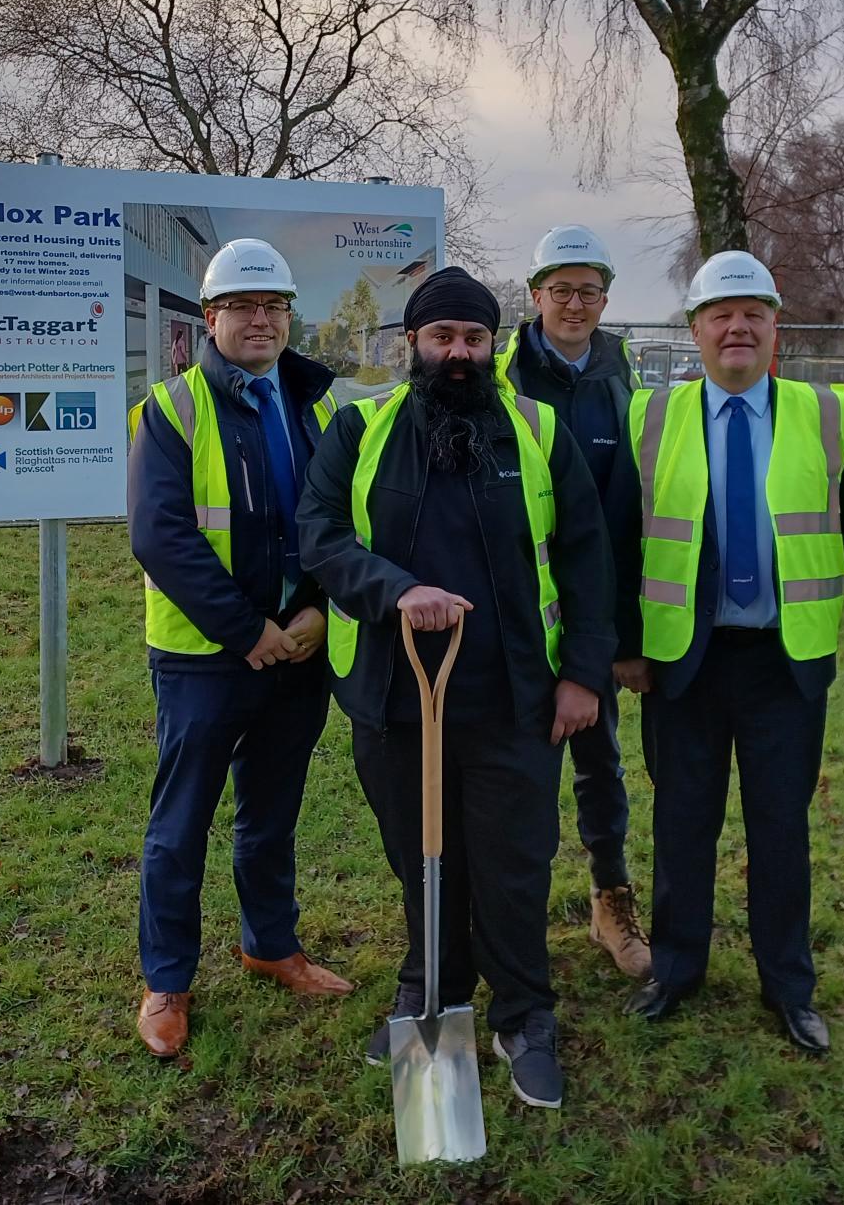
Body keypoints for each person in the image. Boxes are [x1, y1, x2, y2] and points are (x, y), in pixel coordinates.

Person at [299, 265, 616, 1111]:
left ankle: (524, 1015)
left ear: (494, 344)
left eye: (475, 337)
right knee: (422, 857)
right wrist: (396, 589)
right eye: (442, 337)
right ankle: (431, 989)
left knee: (512, 863)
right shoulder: (360, 429)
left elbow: (587, 557)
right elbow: (321, 537)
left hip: (515, 696)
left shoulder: (537, 432)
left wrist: (583, 675)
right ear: (412, 344)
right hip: (396, 697)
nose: (460, 354)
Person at [620, 250, 844, 1054]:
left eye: (754, 315)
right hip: (684, 660)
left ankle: (788, 986)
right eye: (720, 315)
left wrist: (801, 577)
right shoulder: (653, 415)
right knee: (682, 821)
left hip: (784, 661)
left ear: (776, 327)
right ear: (696, 329)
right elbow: (618, 536)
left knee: (781, 828)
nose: (738, 328)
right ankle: (675, 969)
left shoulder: (826, 412)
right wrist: (631, 645)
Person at [125, 239, 352, 1060]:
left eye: (274, 306)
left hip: (300, 647)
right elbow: (162, 537)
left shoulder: (319, 408)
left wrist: (321, 610)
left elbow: (340, 525)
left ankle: (270, 944)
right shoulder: (172, 409)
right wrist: (246, 629)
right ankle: (167, 980)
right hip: (204, 658)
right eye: (243, 307)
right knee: (179, 824)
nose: (261, 320)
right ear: (211, 317)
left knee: (272, 812)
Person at [494, 224, 652, 980]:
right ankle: (508, 913)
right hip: (518, 614)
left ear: (606, 299)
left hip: (593, 610)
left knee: (600, 763)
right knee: (516, 773)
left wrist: (620, 629)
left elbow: (634, 513)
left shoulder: (624, 377)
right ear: (535, 297)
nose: (575, 304)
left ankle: (610, 900)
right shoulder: (503, 378)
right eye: (561, 290)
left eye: (589, 291)